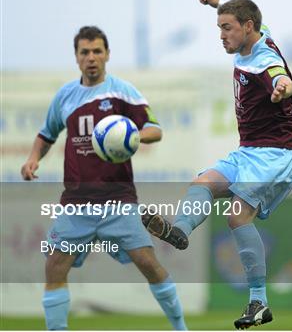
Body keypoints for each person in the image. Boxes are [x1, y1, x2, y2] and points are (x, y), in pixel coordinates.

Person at [142, 0, 292, 329]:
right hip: (248, 151)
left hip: (279, 152)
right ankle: (179, 233)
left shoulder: (265, 60)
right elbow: (249, 17)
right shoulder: (256, 35)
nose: (221, 36)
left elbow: (280, 75)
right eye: (219, 28)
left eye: (227, 28)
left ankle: (259, 301)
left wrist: (283, 86)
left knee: (237, 217)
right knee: (202, 184)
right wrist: (219, 5)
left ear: (247, 27)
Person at [21, 26, 187, 330]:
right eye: (85, 52)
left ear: (107, 54)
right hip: (76, 203)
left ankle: (180, 327)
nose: (92, 58)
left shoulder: (122, 90)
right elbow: (46, 135)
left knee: (148, 263)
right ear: (76, 57)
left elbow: (155, 129)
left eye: (97, 51)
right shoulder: (66, 96)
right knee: (55, 266)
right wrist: (33, 158)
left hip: (118, 199)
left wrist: (130, 135)